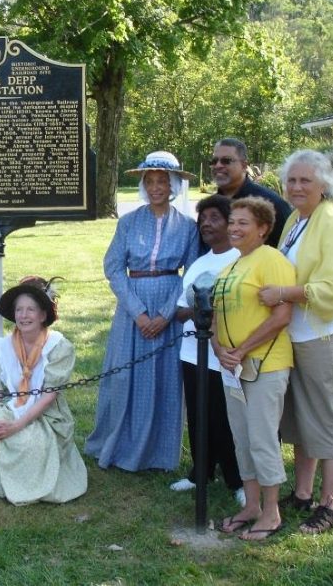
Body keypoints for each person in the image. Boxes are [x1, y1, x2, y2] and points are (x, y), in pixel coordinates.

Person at [258, 150, 333, 534]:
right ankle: (302, 493)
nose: (297, 187)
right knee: (301, 419)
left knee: (326, 418)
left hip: (323, 334)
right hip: (294, 335)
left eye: (305, 181)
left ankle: (329, 505)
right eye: (291, 180)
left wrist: (283, 292)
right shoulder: (296, 220)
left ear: (324, 185)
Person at [85, 151, 198, 472]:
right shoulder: (128, 222)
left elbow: (190, 275)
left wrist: (164, 315)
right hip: (131, 309)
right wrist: (138, 312)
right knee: (125, 376)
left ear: (174, 184)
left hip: (170, 307)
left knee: (163, 379)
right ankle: (119, 445)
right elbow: (114, 268)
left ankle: (159, 454)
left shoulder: (188, 227)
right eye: (150, 181)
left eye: (162, 181)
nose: (156, 187)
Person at [212, 197, 295, 541]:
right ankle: (251, 505)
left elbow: (282, 315)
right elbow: (217, 316)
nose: (234, 227)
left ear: (263, 229)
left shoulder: (271, 260)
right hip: (232, 367)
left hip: (265, 364)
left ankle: (272, 512)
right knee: (242, 439)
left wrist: (243, 349)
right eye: (233, 221)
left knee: (262, 439)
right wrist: (221, 350)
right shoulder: (231, 266)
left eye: (243, 222)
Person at [0, 276, 88, 505]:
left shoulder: (58, 347)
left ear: (43, 315)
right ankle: (3, 484)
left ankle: (37, 487)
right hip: (13, 406)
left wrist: (17, 424)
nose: (24, 316)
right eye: (19, 310)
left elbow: (49, 396)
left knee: (29, 440)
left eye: (31, 310)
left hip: (46, 414)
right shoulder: (1, 347)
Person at [171, 194, 244, 505]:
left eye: (214, 217)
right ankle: (200, 472)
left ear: (230, 223)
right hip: (192, 352)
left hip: (224, 354)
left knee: (225, 419)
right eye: (202, 219)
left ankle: (237, 479)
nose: (206, 224)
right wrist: (198, 310)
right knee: (198, 416)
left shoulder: (241, 259)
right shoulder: (200, 262)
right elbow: (179, 310)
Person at [210, 138, 291, 247]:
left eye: (226, 161)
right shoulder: (210, 205)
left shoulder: (272, 203)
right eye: (214, 161)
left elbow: (287, 249)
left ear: (244, 166)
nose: (218, 165)